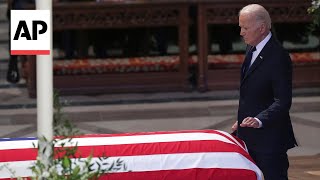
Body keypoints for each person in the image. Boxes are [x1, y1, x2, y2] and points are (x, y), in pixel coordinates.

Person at [231, 4, 297, 180]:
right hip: (249, 136)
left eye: (245, 28)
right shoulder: (252, 47)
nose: (241, 33)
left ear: (261, 28)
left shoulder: (278, 57)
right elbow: (254, 94)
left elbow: (282, 101)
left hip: (270, 141)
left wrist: (259, 120)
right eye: (240, 27)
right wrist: (242, 121)